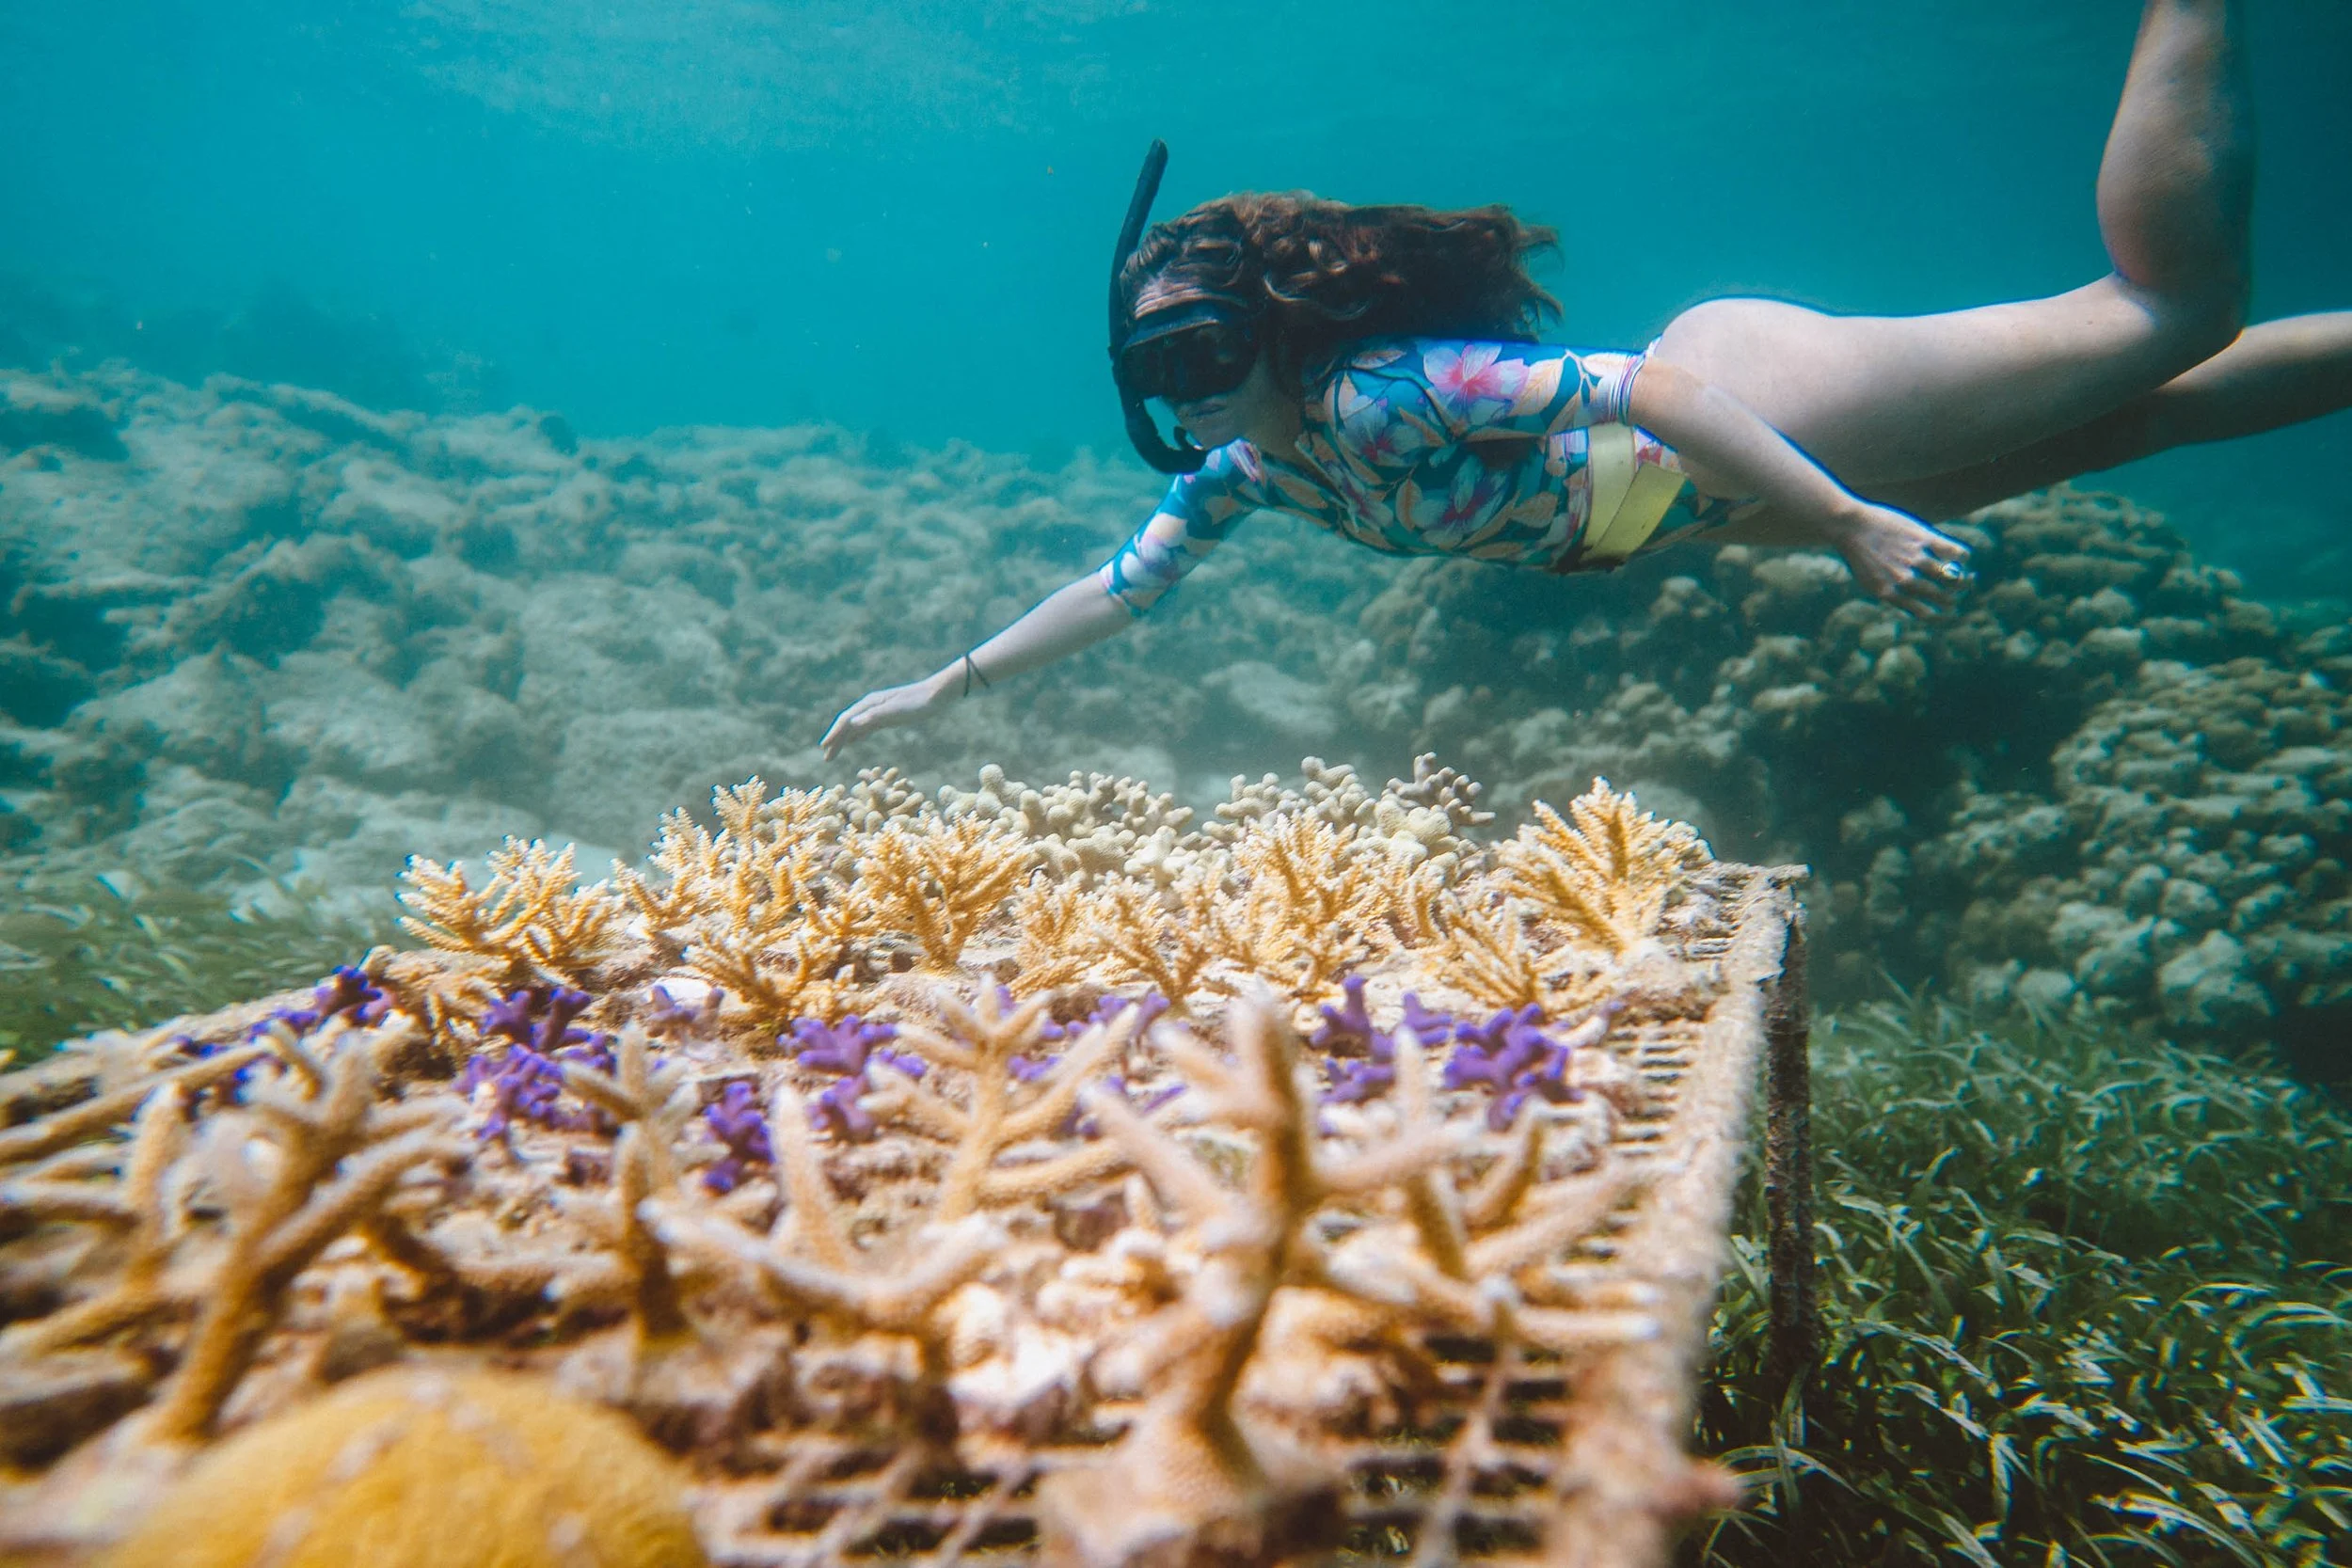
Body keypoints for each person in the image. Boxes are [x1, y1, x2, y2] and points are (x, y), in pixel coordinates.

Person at [823, 0, 2349, 760]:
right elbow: (1120, 590)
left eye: (1210, 356)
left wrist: (1847, 525)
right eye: (1160, 377)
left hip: (1752, 417)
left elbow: (1653, 395)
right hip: (1715, 508)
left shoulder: (1382, 398)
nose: (1192, 401)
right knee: (2143, 416)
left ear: (1281, 335)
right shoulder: (1257, 469)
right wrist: (945, 682)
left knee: (2165, 309)